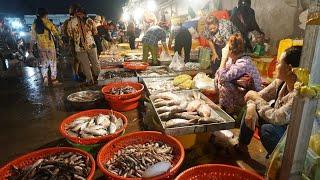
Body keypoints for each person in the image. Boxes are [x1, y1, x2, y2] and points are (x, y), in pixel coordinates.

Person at [237, 46, 302, 156]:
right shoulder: (281, 82)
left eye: (279, 63)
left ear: (289, 69)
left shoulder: (299, 94)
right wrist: (252, 107)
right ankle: (241, 147)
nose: (276, 66)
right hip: (277, 124)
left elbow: (278, 118)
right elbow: (255, 96)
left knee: (267, 130)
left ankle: (281, 162)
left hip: (290, 138)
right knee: (251, 111)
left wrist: (255, 98)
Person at [215, 33, 262, 116]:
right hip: (241, 89)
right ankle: (225, 107)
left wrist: (223, 58)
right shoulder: (232, 59)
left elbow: (223, 78)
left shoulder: (243, 63)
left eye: (226, 48)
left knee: (224, 84)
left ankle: (230, 112)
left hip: (251, 94)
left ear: (231, 50)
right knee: (217, 77)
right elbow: (219, 72)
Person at [67, 7, 100, 85]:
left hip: (79, 47)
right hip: (91, 45)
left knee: (85, 65)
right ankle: (99, 79)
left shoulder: (71, 22)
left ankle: (90, 81)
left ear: (75, 13)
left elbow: (70, 35)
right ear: (84, 13)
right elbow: (95, 32)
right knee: (95, 63)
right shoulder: (89, 20)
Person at [31, 8, 62, 86]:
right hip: (50, 47)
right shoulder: (48, 23)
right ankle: (54, 80)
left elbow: (33, 38)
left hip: (41, 47)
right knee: (53, 63)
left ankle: (45, 80)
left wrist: (30, 48)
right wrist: (60, 41)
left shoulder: (34, 24)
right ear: (45, 14)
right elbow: (56, 33)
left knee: (44, 63)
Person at [61, 4, 82, 81]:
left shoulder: (68, 21)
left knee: (77, 59)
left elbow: (64, 33)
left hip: (74, 42)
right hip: (74, 43)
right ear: (76, 12)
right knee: (76, 59)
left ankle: (78, 74)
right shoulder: (71, 21)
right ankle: (76, 74)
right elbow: (66, 34)